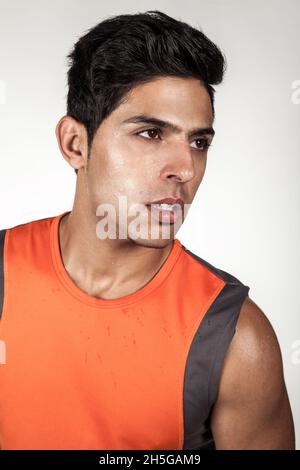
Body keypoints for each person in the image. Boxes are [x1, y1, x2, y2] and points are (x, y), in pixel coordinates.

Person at [0, 10, 295, 450]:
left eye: (199, 142)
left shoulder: (237, 339)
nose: (184, 168)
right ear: (75, 144)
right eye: (151, 133)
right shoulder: (6, 273)